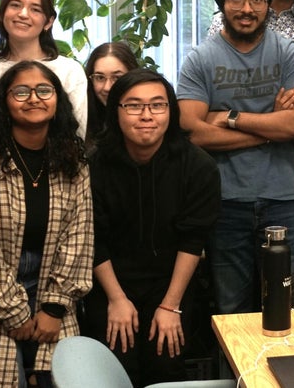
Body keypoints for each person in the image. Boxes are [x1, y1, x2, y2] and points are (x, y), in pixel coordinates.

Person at [177, 0, 294, 314]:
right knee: (231, 309)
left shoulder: (289, 53)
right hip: (225, 202)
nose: (247, 8)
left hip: (284, 199)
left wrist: (230, 117)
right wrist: (272, 127)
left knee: (291, 306)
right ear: (222, 2)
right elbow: (192, 133)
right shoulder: (200, 60)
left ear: (268, 3)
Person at [0, 60, 93, 387]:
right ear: (5, 102)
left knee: (58, 376)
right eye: (21, 92)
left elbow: (79, 237)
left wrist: (54, 308)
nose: (34, 98)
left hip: (53, 285)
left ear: (57, 100)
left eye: (44, 90)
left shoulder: (73, 160)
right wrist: (14, 314)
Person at [84, 69, 220, 386]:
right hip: (110, 281)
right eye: (133, 106)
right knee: (116, 367)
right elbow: (93, 238)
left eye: (157, 105)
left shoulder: (198, 165)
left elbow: (193, 240)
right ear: (115, 111)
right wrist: (117, 299)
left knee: (165, 364)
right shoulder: (94, 166)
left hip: (171, 281)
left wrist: (170, 306)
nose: (146, 116)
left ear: (171, 111)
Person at [0, 0, 88, 135]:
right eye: (15, 5)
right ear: (2, 13)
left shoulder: (69, 72)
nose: (23, 14)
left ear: (49, 22)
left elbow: (77, 135)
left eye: (35, 9)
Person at [84, 41, 139, 147]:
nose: (107, 87)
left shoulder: (147, 119)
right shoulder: (82, 122)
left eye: (117, 77)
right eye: (100, 78)